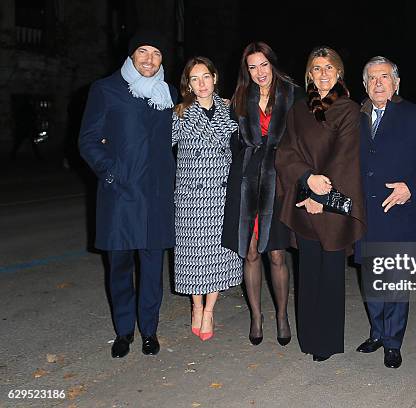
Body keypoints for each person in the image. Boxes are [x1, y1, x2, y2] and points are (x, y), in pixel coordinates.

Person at [79, 30, 177, 358]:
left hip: (156, 197)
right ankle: (124, 331)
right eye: (143, 52)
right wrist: (112, 171)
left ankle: (149, 330)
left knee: (152, 269)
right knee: (119, 267)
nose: (149, 59)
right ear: (131, 55)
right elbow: (88, 139)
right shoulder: (106, 89)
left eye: (156, 53)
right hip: (120, 196)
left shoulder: (169, 93)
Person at [275, 46, 366, 361]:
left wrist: (320, 196)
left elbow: (345, 159)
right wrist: (306, 181)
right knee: (308, 272)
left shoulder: (350, 110)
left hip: (332, 205)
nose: (323, 74)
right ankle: (309, 337)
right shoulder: (298, 110)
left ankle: (326, 342)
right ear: (309, 74)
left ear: (339, 72)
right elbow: (286, 153)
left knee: (330, 274)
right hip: (304, 200)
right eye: (317, 68)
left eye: (329, 67)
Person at [222, 42, 301, 346]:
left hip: (279, 180)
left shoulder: (292, 94)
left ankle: (282, 315)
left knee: (278, 253)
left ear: (272, 64)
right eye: (252, 67)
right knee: (251, 251)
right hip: (246, 181)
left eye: (263, 65)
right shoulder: (240, 98)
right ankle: (256, 316)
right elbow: (227, 136)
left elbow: (309, 131)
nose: (259, 72)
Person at [355, 56, 416, 369]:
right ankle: (377, 332)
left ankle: (393, 342)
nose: (378, 83)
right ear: (365, 84)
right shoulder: (355, 116)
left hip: (399, 211)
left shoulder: (415, 117)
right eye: (372, 78)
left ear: (396, 83)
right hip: (366, 213)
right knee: (371, 279)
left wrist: (412, 186)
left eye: (385, 77)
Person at [172, 57, 242, 341]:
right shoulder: (180, 113)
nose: (201, 84)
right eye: (194, 79)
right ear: (188, 84)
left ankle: (209, 310)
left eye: (205, 77)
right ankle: (195, 305)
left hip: (222, 196)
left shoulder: (229, 110)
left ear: (214, 78)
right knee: (193, 257)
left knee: (216, 257)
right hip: (191, 198)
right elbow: (155, 146)